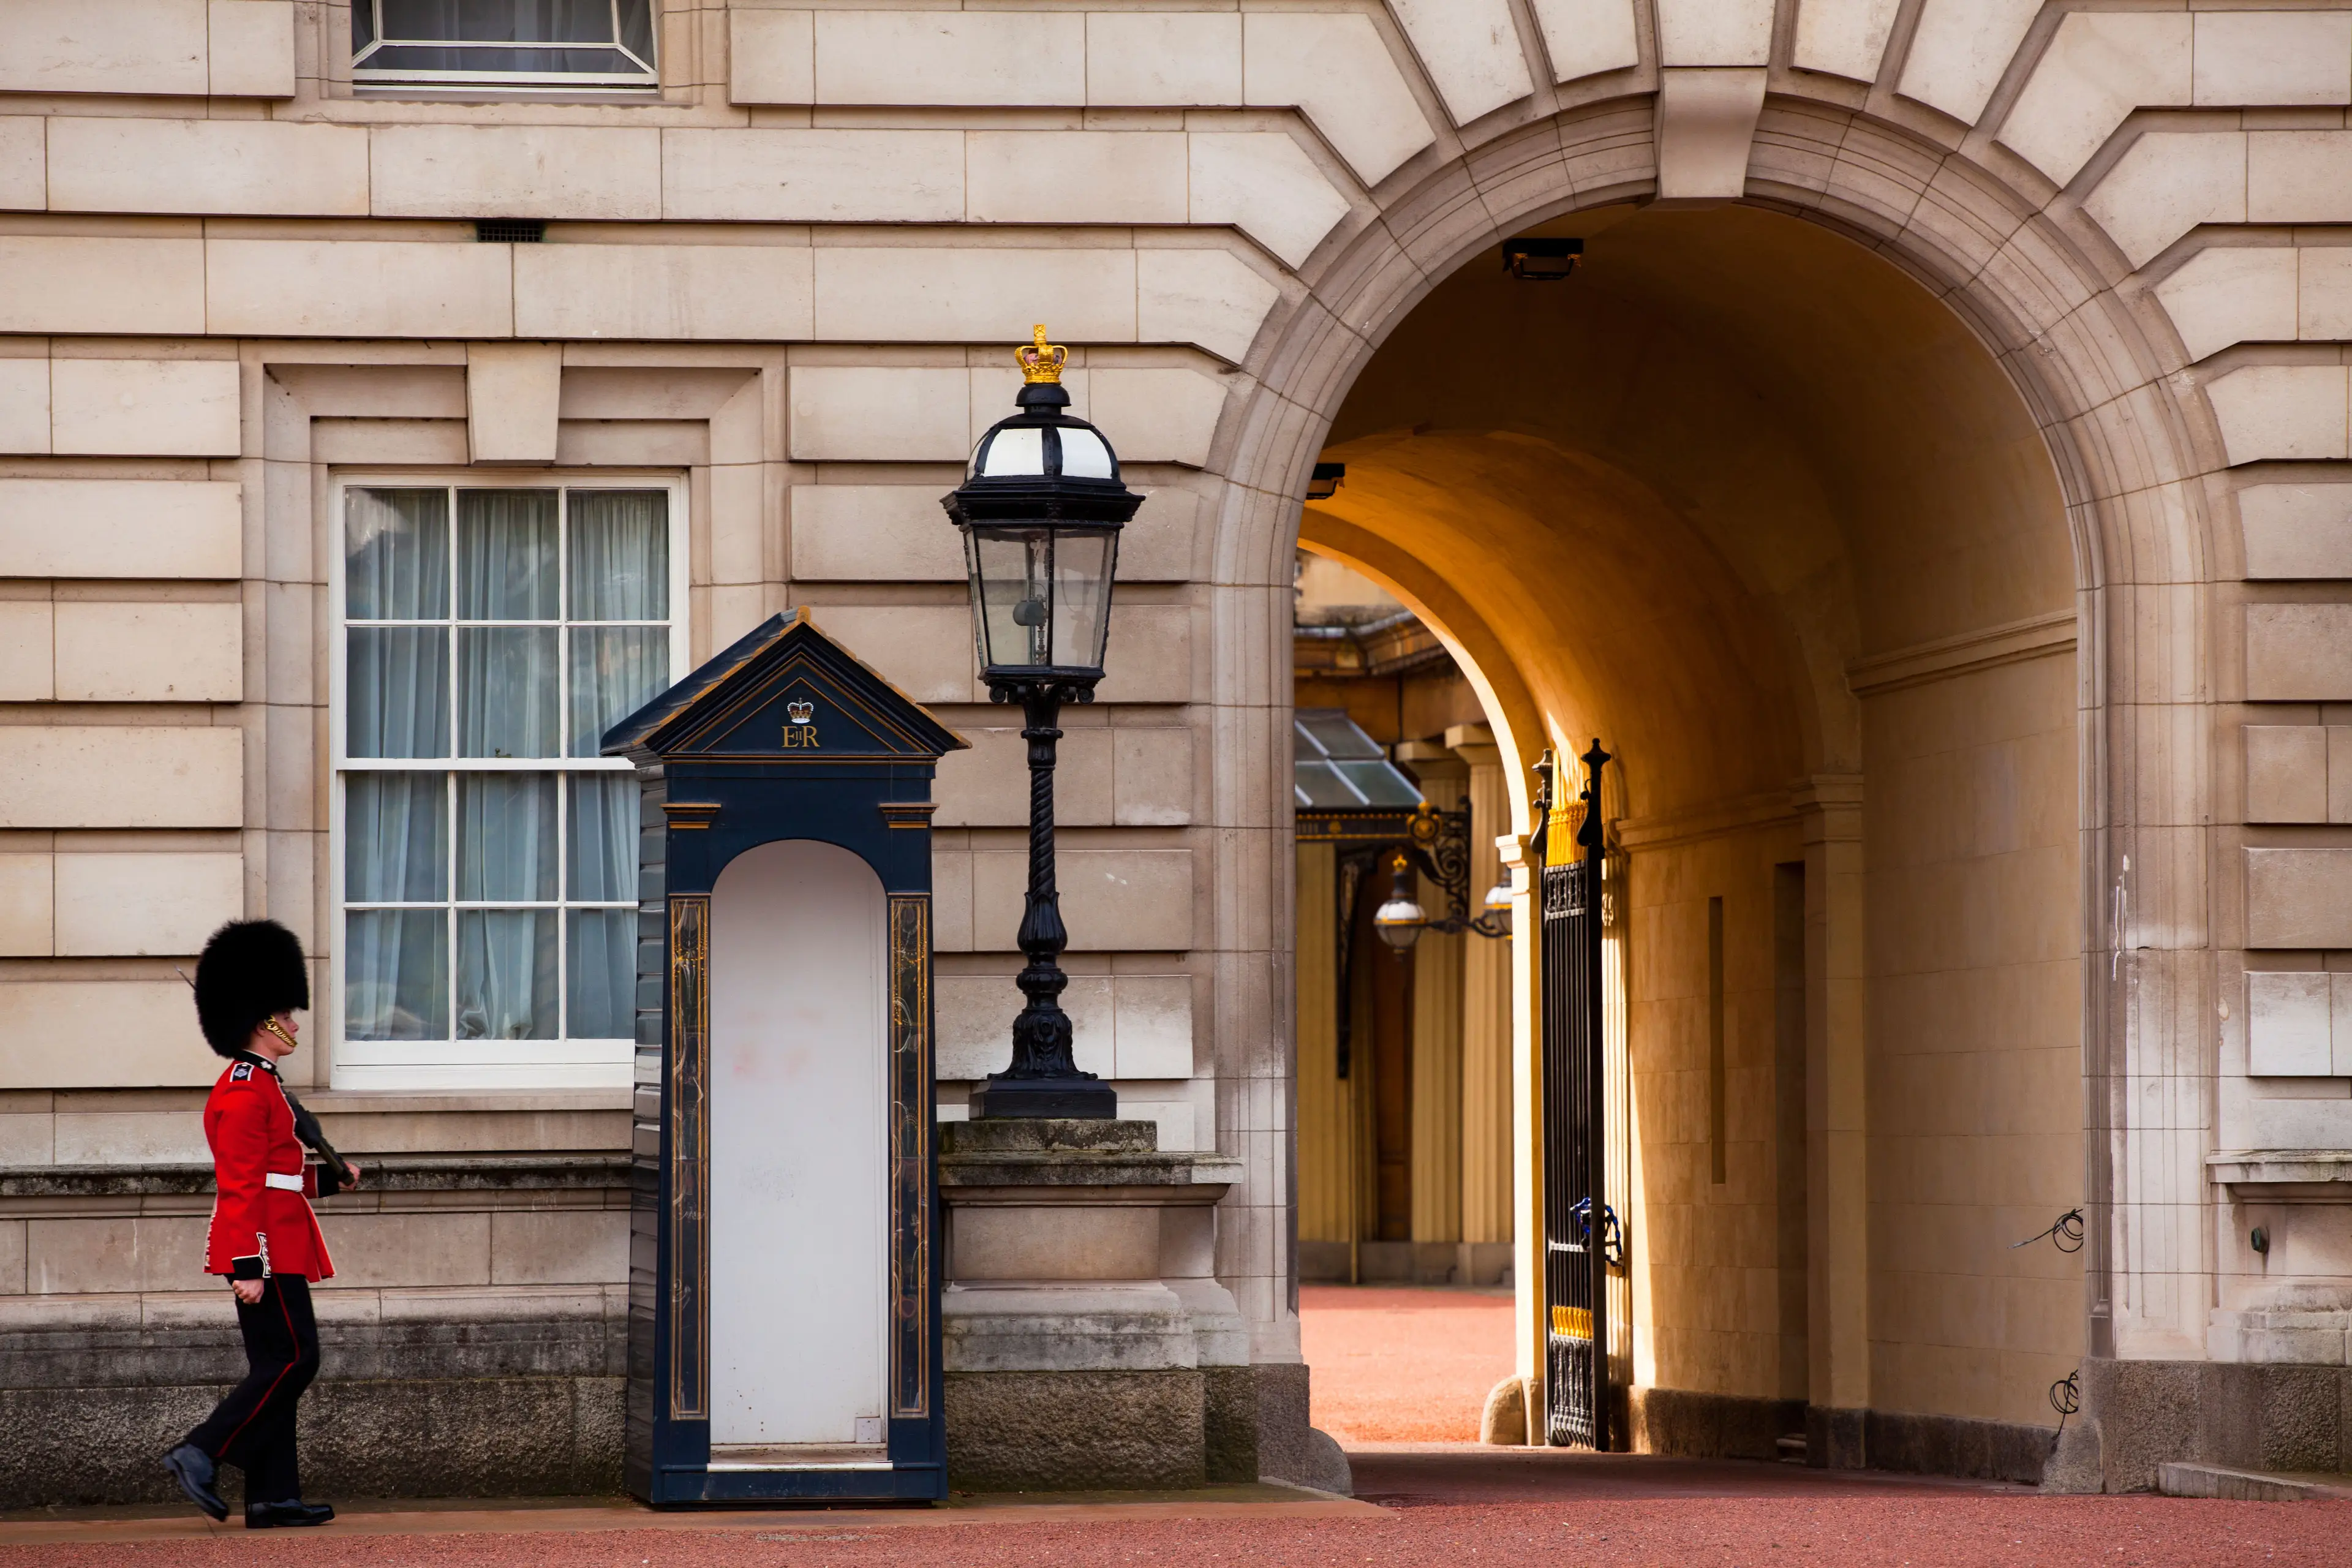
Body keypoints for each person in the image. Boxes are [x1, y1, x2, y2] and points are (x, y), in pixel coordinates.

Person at [162, 919, 360, 1529]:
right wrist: (246, 1266)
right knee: (296, 1360)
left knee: (277, 1366)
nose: (295, 1023)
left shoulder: (265, 1087)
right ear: (261, 1020)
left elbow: (278, 1177)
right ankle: (202, 1449)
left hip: (278, 1241)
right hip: (266, 1251)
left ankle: (274, 1495)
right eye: (286, 1013)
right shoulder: (247, 1090)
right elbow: (240, 1186)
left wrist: (331, 1178)